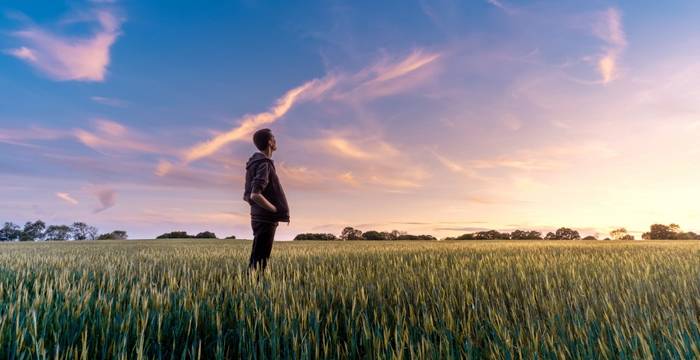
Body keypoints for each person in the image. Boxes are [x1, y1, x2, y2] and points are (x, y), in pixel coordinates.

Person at [243, 128, 290, 277]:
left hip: (258, 216)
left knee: (257, 257)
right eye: (274, 138)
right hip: (265, 218)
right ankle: (252, 290)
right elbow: (255, 194)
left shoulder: (254, 163)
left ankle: (249, 287)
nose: (276, 141)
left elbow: (247, 196)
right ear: (270, 142)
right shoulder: (264, 163)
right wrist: (274, 210)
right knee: (260, 260)